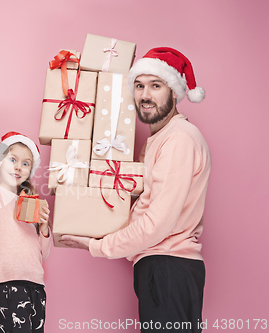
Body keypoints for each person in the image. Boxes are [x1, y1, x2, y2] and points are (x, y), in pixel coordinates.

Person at [60, 48, 211, 333]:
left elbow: (157, 223)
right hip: (164, 268)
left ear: (175, 92)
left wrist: (98, 246)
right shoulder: (160, 139)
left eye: (156, 86)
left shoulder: (178, 140)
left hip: (168, 265)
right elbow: (139, 196)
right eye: (139, 86)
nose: (145, 95)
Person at [0, 132, 51, 333]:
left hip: (35, 283)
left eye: (26, 163)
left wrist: (43, 230)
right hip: (8, 281)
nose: (18, 167)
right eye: (13, 159)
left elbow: (42, 255)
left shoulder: (31, 202)